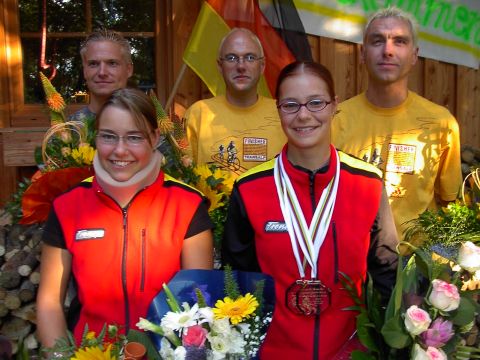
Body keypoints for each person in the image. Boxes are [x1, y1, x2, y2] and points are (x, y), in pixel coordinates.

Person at [222, 61, 398, 359]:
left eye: (316, 102)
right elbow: (237, 278)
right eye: (291, 105)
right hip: (272, 352)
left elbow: (386, 273)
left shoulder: (367, 183)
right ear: (277, 109)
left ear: (334, 106)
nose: (304, 115)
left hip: (352, 352)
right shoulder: (250, 188)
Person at [36, 88, 214, 347]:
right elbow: (49, 303)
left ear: (154, 138)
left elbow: (199, 302)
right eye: (109, 136)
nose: (120, 150)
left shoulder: (186, 205)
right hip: (91, 353)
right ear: (96, 139)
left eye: (134, 137)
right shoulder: (68, 206)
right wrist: (61, 356)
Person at [331, 6, 462, 241]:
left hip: (419, 266)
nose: (388, 50)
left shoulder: (441, 123)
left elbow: (449, 203)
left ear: (414, 55)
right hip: (354, 265)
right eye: (377, 41)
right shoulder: (335, 119)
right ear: (362, 53)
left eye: (399, 41)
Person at [184, 28, 286, 177]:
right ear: (220, 66)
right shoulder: (198, 114)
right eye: (231, 58)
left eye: (250, 57)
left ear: (262, 66)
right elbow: (183, 175)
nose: (241, 66)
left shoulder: (283, 113)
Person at [69, 29, 133, 121]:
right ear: (84, 71)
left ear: (128, 70)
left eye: (112, 63)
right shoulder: (67, 130)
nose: (102, 72)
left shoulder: (148, 125)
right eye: (93, 64)